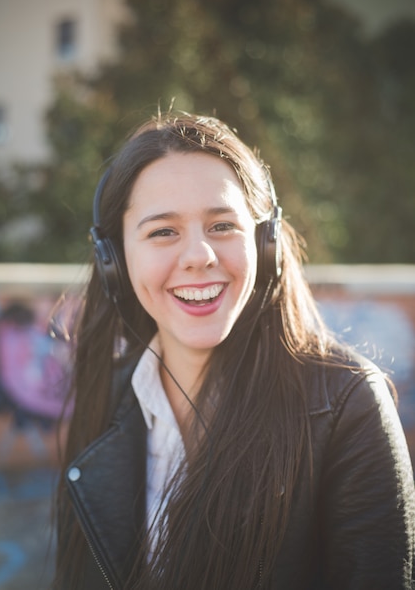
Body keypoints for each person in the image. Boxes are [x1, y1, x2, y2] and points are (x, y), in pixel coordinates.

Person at [53, 112, 415, 590]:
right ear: (114, 260)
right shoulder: (108, 394)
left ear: (265, 245)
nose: (199, 255)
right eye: (163, 231)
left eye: (222, 225)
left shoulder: (347, 406)